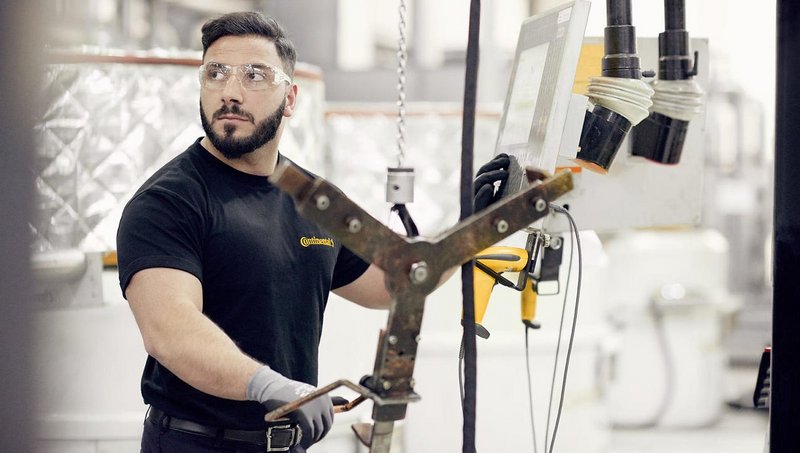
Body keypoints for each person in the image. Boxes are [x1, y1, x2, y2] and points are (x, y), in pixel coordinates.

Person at [117, 11, 393, 452]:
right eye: (216, 73)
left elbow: (393, 282)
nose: (230, 92)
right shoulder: (168, 200)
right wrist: (272, 386)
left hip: (287, 444)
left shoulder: (313, 198)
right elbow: (170, 329)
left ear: (290, 98)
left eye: (255, 75)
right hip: (196, 444)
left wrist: (473, 226)